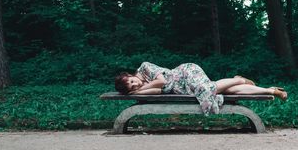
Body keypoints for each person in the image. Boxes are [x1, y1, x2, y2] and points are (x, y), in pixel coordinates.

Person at [115, 62, 287, 115]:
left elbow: (160, 82)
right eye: (130, 87)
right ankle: (270, 90)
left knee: (208, 89)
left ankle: (239, 79)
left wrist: (140, 89)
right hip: (184, 88)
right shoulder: (141, 87)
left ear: (130, 75)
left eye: (131, 81)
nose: (134, 84)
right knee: (225, 91)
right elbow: (157, 91)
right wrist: (139, 91)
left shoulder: (145, 68)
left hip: (185, 73)